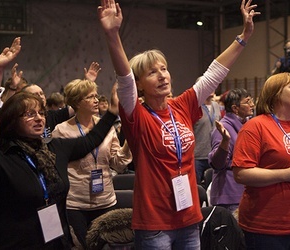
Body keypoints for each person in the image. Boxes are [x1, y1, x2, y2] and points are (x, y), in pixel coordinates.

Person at [97, 0, 259, 248]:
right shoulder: (136, 114)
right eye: (152, 72)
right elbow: (125, 80)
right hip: (155, 223)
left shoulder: (181, 106)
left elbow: (214, 73)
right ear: (140, 84)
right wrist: (112, 35)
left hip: (188, 218)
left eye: (164, 69)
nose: (162, 75)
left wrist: (243, 36)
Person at [0, 91, 120, 249]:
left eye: (41, 113)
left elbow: (90, 140)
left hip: (57, 241)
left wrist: (112, 112)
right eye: (30, 114)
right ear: (12, 119)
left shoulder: (54, 148)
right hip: (18, 243)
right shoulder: (2, 156)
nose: (39, 118)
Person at [231, 72, 290, 250]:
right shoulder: (255, 126)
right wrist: (286, 174)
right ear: (276, 94)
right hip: (266, 225)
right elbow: (241, 173)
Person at [51, 78, 132, 248]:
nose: (96, 100)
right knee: (83, 246)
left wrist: (128, 145)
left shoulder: (106, 127)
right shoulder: (61, 130)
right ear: (77, 102)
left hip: (105, 200)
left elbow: (117, 164)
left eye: (96, 96)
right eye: (90, 97)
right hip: (76, 203)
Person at [208, 88, 254, 213]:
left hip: (246, 190)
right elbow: (217, 164)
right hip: (229, 195)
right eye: (248, 102)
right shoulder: (223, 128)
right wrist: (225, 141)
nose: (252, 105)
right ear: (235, 108)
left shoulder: (249, 125)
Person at [194, 92, 221, 184]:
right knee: (197, 188)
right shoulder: (194, 107)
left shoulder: (216, 106)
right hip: (198, 155)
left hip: (213, 154)